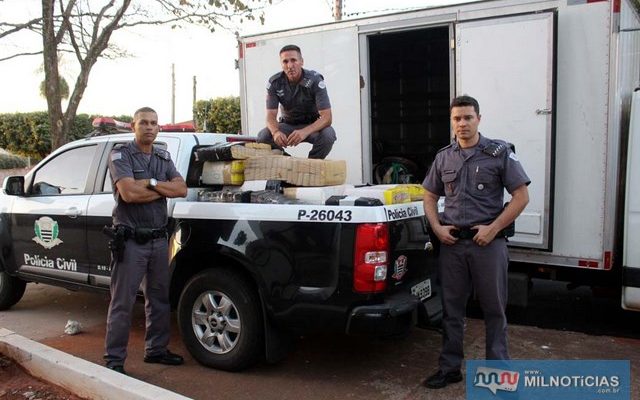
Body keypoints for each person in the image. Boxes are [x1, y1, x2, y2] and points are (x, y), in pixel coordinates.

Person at [421, 95, 530, 389]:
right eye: (457, 118)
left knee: (494, 310)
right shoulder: (444, 157)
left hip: (488, 245)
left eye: (468, 117)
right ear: (452, 121)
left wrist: (494, 229)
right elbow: (429, 195)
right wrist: (437, 227)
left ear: (478, 119)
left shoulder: (499, 153)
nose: (462, 124)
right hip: (453, 245)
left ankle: (498, 376)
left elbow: (521, 197)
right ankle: (449, 368)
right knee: (451, 310)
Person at [104, 107, 187, 374]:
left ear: (158, 127)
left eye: (154, 123)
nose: (149, 127)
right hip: (131, 241)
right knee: (123, 302)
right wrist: (162, 188)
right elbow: (129, 193)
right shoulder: (120, 154)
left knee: (159, 299)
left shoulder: (162, 155)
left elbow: (182, 189)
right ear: (133, 126)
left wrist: (149, 183)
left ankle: (156, 350)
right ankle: (114, 360)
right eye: (144, 123)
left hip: (158, 239)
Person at [256, 44, 337, 159]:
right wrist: (276, 133)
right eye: (285, 61)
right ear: (281, 64)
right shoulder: (275, 82)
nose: (290, 65)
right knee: (263, 136)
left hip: (311, 126)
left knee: (329, 134)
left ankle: (311, 165)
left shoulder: (314, 80)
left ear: (301, 62)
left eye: (293, 60)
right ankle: (286, 161)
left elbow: (327, 118)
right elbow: (270, 116)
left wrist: (304, 131)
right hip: (287, 125)